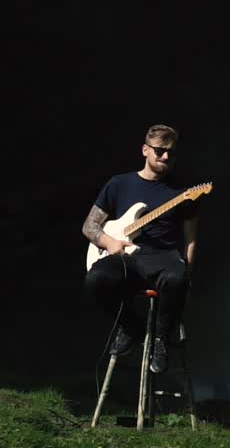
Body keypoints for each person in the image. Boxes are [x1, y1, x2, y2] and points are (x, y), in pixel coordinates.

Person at [82, 124, 198, 373]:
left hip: (163, 256)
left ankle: (160, 340)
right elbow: (89, 226)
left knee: (177, 278)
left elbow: (190, 239)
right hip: (126, 255)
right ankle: (130, 326)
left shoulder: (182, 193)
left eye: (171, 152)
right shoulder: (119, 184)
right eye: (159, 150)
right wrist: (110, 242)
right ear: (145, 150)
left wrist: (188, 273)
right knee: (95, 280)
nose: (165, 156)